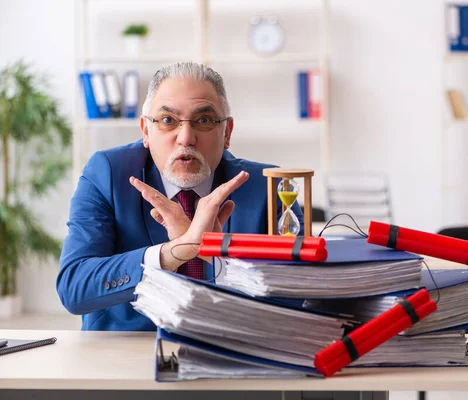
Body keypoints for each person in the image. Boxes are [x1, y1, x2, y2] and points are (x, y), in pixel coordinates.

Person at [57, 62, 303, 331]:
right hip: (124, 355)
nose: (186, 137)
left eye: (204, 120)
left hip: (232, 350)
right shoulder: (107, 173)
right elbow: (74, 287)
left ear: (227, 132)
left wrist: (220, 262)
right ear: (145, 131)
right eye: (167, 120)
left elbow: (299, 299)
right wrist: (173, 253)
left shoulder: (270, 187)